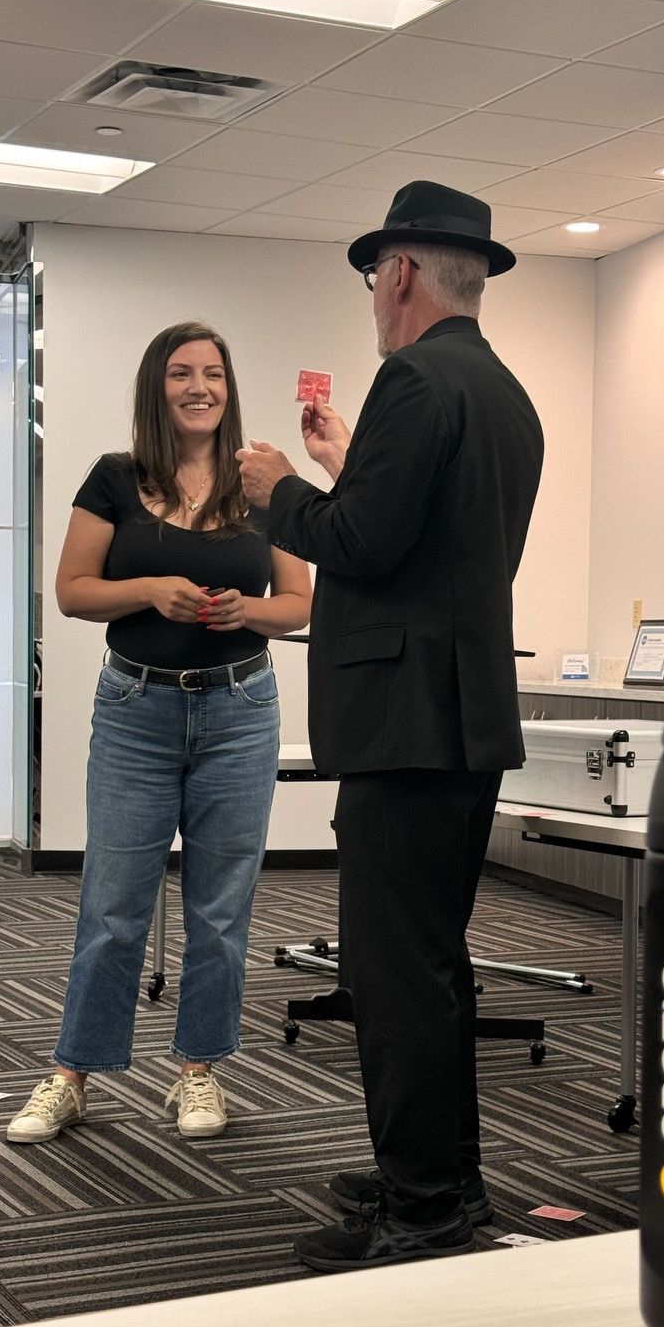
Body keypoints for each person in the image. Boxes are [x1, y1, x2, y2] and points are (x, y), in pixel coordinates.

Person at [238, 182, 543, 1271]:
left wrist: (281, 488)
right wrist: (343, 464)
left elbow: (360, 544)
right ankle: (437, 1177)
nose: (375, 299)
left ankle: (426, 1208)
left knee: (393, 971)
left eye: (376, 279)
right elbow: (421, 538)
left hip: (405, 726)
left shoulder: (414, 377)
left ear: (401, 273)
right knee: (427, 964)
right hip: (458, 724)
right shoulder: (501, 391)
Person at [8, 322, 311, 1146]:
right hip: (136, 710)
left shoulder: (260, 482)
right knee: (112, 905)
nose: (198, 387)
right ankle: (72, 1073)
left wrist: (246, 611)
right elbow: (72, 592)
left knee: (219, 910)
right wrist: (150, 591)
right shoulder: (115, 477)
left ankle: (198, 1070)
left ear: (228, 386)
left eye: (213, 373)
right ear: (157, 386)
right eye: (181, 374)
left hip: (239, 712)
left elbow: (299, 601)